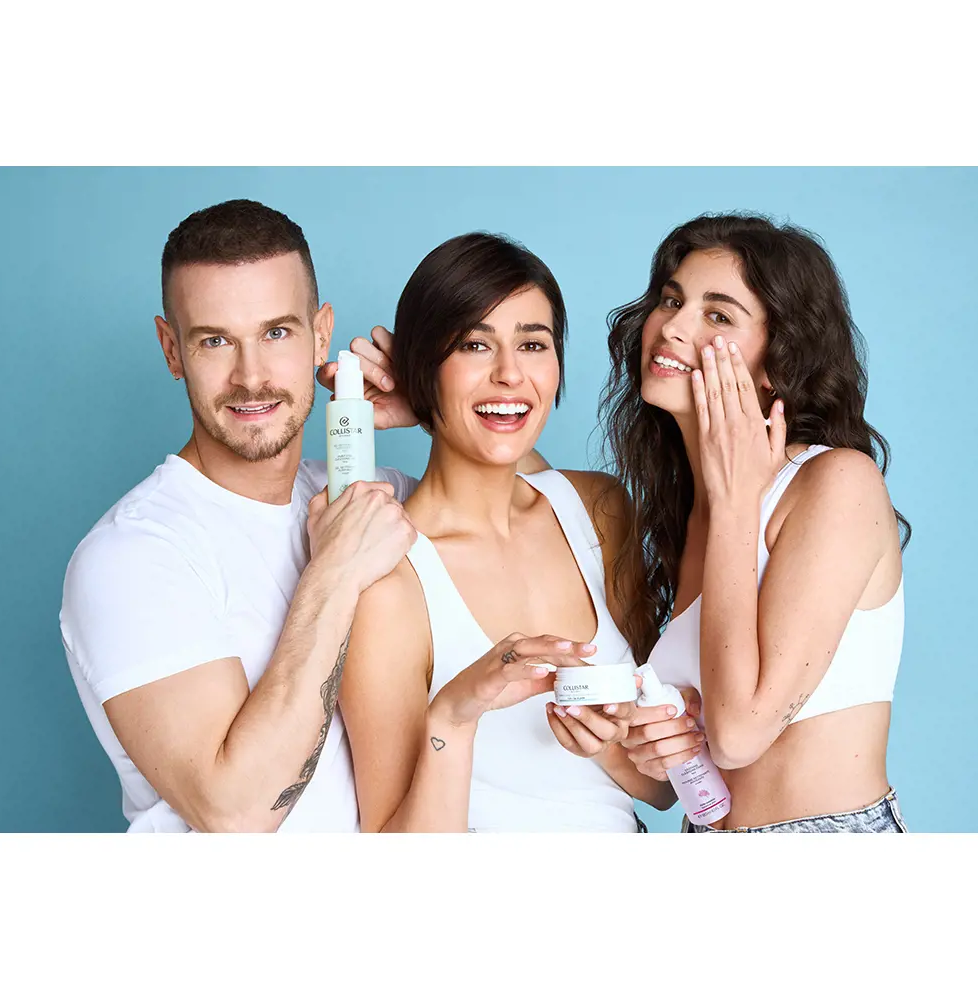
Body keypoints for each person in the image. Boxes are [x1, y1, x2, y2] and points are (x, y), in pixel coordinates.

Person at [59, 199, 423, 832]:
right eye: (215, 340)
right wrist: (334, 572)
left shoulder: (367, 497)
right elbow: (234, 814)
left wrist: (439, 413)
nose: (251, 377)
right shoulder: (130, 556)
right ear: (171, 349)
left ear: (321, 334)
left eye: (277, 333)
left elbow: (539, 518)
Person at [339, 232, 676, 832]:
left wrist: (605, 740)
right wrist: (454, 715)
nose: (509, 373)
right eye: (474, 345)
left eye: (533, 344)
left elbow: (662, 787)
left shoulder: (598, 510)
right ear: (421, 367)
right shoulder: (389, 580)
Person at [605, 213, 909, 832]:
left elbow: (740, 734)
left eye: (718, 316)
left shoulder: (835, 481)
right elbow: (668, 787)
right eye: (671, 301)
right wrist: (638, 739)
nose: (673, 327)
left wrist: (736, 503)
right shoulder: (692, 511)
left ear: (778, 361)